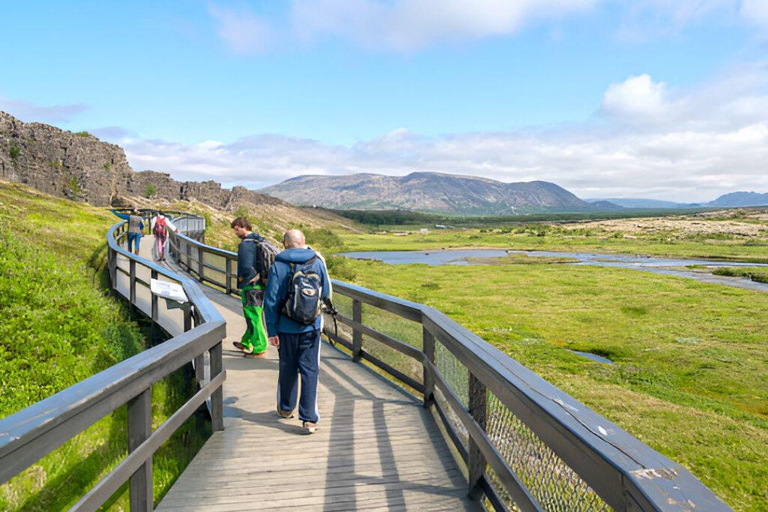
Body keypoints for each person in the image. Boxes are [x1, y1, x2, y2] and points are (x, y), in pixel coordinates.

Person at [264, 229, 331, 434]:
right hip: (311, 326)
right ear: (304, 241)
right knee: (310, 370)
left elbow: (271, 300)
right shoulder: (317, 262)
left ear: (285, 243)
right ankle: (309, 419)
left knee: (288, 367)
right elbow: (326, 293)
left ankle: (286, 408)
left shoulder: (278, 265)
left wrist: (272, 330)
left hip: (286, 328)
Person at [231, 217, 268, 357]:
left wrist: (243, 279)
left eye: (236, 230)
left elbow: (246, 266)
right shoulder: (258, 240)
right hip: (260, 284)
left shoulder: (246, 244)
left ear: (243, 227)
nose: (236, 233)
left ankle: (259, 346)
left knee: (253, 316)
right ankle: (246, 341)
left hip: (251, 286)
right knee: (252, 315)